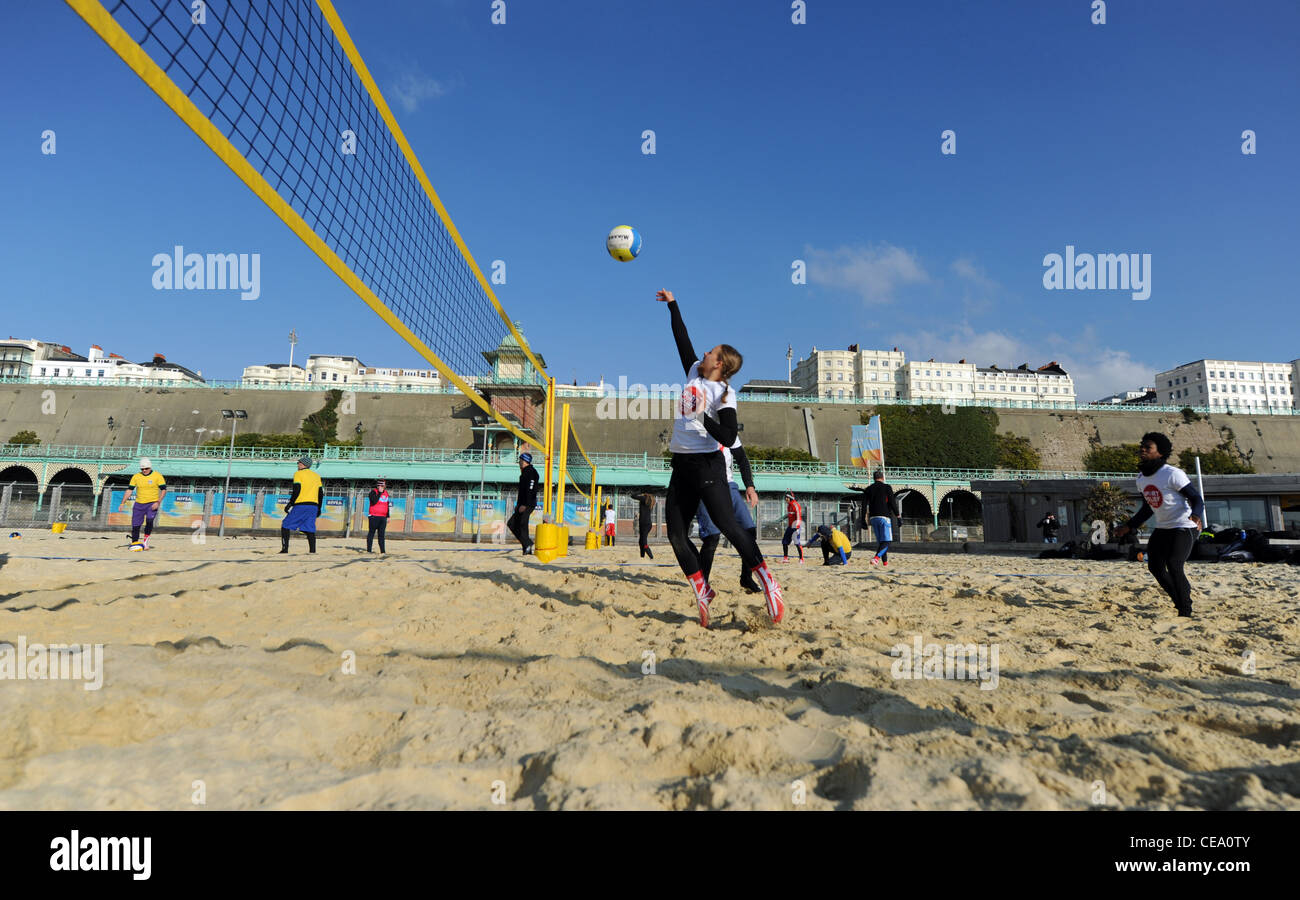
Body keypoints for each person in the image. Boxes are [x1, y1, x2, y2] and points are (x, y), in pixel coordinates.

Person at [657, 289, 784, 628]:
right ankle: (703, 590)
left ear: (720, 365)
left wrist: (700, 417)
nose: (703, 352)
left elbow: (728, 437)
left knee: (728, 526)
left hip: (709, 466)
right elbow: (681, 338)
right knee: (676, 535)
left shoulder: (725, 393)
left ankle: (768, 580)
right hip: (681, 465)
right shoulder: (692, 373)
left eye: (710, 352)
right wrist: (673, 304)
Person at [1112, 432, 1205, 617]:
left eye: (1148, 447)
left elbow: (1196, 498)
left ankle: (1185, 610)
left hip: (1184, 526)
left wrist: (1195, 515)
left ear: (1160, 453)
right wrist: (1129, 526)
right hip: (1163, 528)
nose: (1142, 450)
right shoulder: (1141, 479)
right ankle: (1180, 603)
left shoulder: (1172, 474)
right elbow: (1148, 508)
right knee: (1155, 567)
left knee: (1174, 564)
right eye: (1142, 446)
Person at [694, 439, 762, 594]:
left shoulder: (729, 433)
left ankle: (746, 577)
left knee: (749, 530)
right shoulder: (697, 429)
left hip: (728, 485)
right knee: (712, 537)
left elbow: (743, 460)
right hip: (704, 485)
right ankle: (702, 583)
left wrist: (750, 486)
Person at [281, 456, 322, 553]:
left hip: (301, 504)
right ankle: (312, 551)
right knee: (309, 527)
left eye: (299, 463)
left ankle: (284, 549)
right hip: (313, 506)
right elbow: (320, 493)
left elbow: (297, 489)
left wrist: (290, 503)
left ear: (303, 464)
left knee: (285, 525)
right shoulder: (316, 476)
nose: (297, 464)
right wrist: (319, 508)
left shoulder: (298, 474)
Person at [123, 457, 166, 548]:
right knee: (136, 525)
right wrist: (122, 502)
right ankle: (134, 543)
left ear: (150, 467)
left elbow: (163, 490)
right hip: (139, 504)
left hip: (152, 503)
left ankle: (145, 541)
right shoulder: (136, 476)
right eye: (142, 469)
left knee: (149, 520)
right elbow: (129, 490)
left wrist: (158, 502)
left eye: (146, 468)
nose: (144, 470)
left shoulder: (157, 476)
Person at [864, 470, 900, 566]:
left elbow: (864, 505)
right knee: (887, 541)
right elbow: (892, 502)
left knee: (881, 542)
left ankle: (885, 563)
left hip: (873, 518)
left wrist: (864, 521)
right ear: (882, 478)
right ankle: (876, 558)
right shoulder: (887, 487)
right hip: (884, 517)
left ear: (873, 478)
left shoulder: (868, 489)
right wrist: (898, 516)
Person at [508, 452, 540, 554]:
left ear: (525, 461)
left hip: (528, 504)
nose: (519, 462)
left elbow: (530, 490)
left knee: (521, 524)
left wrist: (525, 505)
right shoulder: (525, 472)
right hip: (522, 504)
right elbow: (522, 491)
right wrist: (518, 504)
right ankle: (527, 546)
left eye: (520, 460)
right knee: (512, 524)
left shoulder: (531, 472)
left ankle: (527, 544)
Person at [366, 477, 392, 553]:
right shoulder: (373, 492)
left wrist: (388, 516)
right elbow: (374, 501)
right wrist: (380, 493)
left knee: (381, 535)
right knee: (371, 533)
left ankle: (383, 551)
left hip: (383, 517)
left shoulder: (386, 493)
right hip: (374, 516)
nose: (381, 487)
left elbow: (387, 505)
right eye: (380, 485)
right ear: (377, 486)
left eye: (383, 485)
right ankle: (369, 550)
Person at [628, 490, 657, 558]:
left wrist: (639, 492)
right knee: (641, 542)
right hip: (646, 523)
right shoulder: (650, 499)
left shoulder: (644, 498)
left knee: (643, 543)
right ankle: (642, 557)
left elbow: (633, 496)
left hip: (644, 524)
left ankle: (651, 557)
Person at [781, 491, 805, 562]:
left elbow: (798, 517)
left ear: (790, 498)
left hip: (796, 527)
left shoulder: (796, 505)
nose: (786, 499)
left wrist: (797, 528)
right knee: (784, 542)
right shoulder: (789, 506)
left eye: (787, 497)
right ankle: (785, 558)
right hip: (790, 527)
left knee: (797, 543)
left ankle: (801, 559)